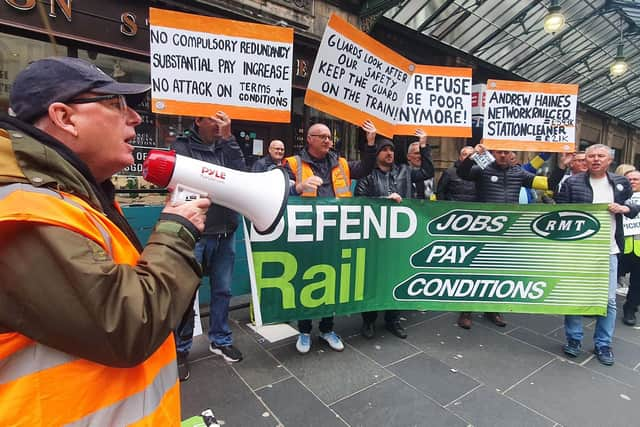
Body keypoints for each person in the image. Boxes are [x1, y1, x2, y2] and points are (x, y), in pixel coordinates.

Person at [0, 57, 209, 426]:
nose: (136, 119)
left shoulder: (76, 196)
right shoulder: (23, 212)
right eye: (116, 105)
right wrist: (176, 231)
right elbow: (127, 324)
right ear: (65, 118)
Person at [285, 120, 377, 354]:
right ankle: (304, 330)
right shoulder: (293, 164)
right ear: (310, 139)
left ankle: (327, 329)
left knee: (331, 282)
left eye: (330, 137)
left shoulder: (341, 163)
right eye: (322, 136)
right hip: (307, 234)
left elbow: (366, 167)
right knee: (306, 282)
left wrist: (370, 143)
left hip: (336, 234)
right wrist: (297, 187)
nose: (328, 140)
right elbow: (275, 187)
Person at [172, 113, 246, 378]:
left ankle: (221, 339)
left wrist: (229, 140)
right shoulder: (182, 147)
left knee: (222, 290)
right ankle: (180, 349)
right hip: (197, 232)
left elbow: (241, 175)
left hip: (226, 230)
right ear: (198, 120)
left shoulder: (227, 146)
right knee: (186, 292)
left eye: (222, 120)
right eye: (213, 120)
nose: (219, 125)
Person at [555, 144, 639, 366]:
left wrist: (626, 210)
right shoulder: (572, 183)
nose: (595, 160)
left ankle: (603, 343)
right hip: (578, 251)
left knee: (609, 301)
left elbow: (633, 205)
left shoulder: (620, 183)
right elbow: (559, 211)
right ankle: (574, 340)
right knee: (574, 297)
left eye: (600, 156)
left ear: (609, 160)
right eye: (591, 156)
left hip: (609, 250)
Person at [457, 144, 556, 329]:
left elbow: (546, 184)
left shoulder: (519, 173)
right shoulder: (482, 169)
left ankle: (493, 309)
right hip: (484, 231)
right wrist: (472, 156)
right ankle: (466, 310)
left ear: (511, 153)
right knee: (476, 271)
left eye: (506, 152)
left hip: (507, 233)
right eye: (499, 152)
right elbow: (462, 173)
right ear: (493, 153)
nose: (502, 155)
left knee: (499, 271)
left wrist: (562, 167)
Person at [355, 130, 433, 339]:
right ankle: (369, 320)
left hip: (400, 236)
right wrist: (384, 199)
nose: (389, 153)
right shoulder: (368, 176)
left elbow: (427, 170)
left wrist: (423, 145)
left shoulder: (405, 171)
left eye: (391, 149)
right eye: (384, 149)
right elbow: (359, 201)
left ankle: (393, 319)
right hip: (376, 237)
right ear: (377, 153)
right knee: (373, 278)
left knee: (396, 277)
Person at [620, 170, 640, 326]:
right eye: (630, 179)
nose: (633, 182)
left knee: (637, 283)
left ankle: (630, 309)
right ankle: (600, 305)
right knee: (610, 278)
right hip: (621, 247)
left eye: (636, 179)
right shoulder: (618, 196)